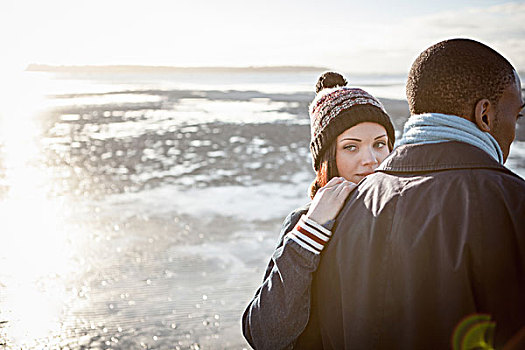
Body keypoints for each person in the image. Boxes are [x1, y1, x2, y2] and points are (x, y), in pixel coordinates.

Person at [300, 38, 525, 349]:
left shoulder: (345, 213)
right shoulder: (513, 206)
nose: (514, 130)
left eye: (378, 143)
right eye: (517, 116)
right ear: (484, 114)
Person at [242, 72, 396, 350]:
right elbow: (265, 335)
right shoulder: (304, 224)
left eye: (379, 144)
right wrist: (311, 230)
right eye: (351, 147)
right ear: (328, 159)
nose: (371, 160)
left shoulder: (404, 215)